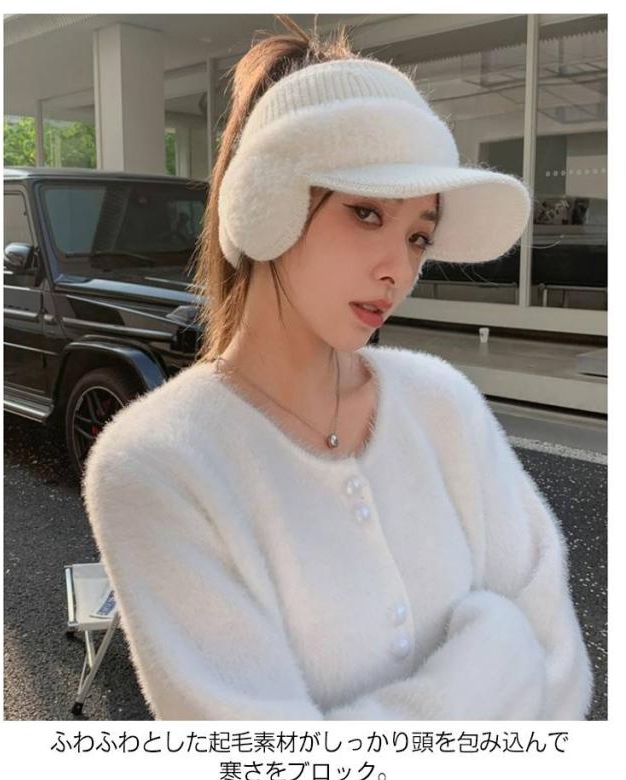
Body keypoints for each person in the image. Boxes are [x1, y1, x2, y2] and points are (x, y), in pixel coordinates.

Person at [82, 16, 594, 721]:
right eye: (366, 214)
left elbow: (560, 673)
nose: (398, 270)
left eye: (419, 236)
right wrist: (497, 657)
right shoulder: (157, 463)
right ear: (267, 203)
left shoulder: (444, 403)